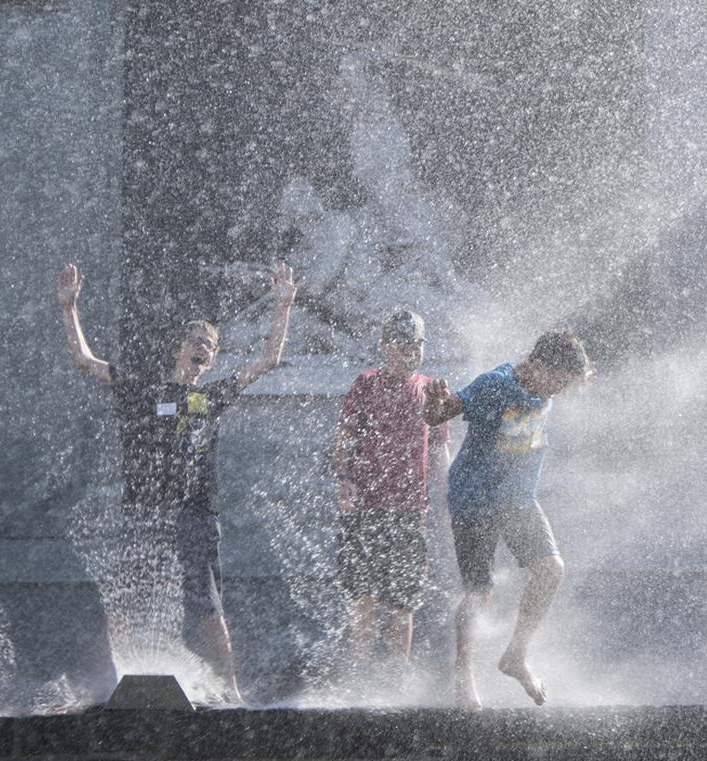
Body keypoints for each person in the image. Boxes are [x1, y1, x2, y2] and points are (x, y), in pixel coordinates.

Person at [57, 262, 302, 702]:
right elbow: (84, 361)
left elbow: (269, 360)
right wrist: (69, 307)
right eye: (196, 341)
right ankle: (117, 683)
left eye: (209, 345)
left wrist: (283, 307)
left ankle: (230, 689)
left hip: (196, 513)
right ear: (177, 350)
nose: (202, 348)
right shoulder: (143, 391)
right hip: (146, 510)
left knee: (208, 606)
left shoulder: (211, 397)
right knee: (127, 604)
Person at [423, 331, 591, 710]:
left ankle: (515, 656)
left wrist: (581, 375)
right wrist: (432, 404)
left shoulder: (546, 386)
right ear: (538, 366)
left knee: (551, 570)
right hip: (475, 501)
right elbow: (440, 413)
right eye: (559, 382)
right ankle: (463, 672)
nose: (560, 392)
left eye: (568, 385)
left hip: (518, 501)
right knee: (478, 592)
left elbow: (568, 378)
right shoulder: (494, 386)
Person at [329, 309, 450, 675]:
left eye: (415, 345)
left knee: (402, 602)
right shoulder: (365, 384)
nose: (409, 352)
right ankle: (360, 674)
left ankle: (396, 679)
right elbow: (344, 438)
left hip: (411, 510)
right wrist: (343, 478)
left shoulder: (432, 390)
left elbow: (439, 450)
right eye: (401, 345)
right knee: (363, 596)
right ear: (385, 347)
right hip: (365, 505)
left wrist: (447, 502)